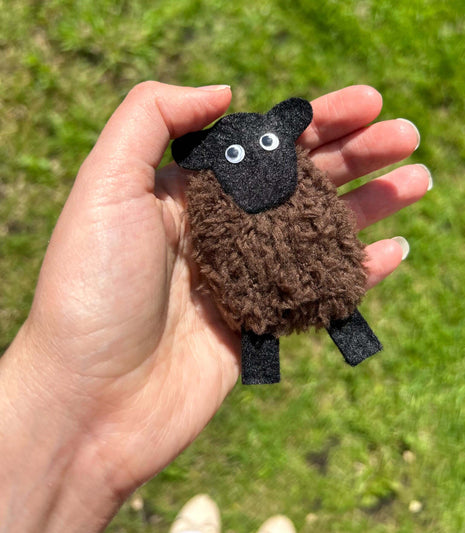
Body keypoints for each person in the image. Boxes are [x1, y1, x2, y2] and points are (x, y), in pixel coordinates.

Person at [0, 82, 430, 532]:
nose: (258, 160)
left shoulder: (292, 185)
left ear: (283, 132)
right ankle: (268, 352)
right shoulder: (215, 205)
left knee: (328, 274)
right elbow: (221, 254)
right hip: (247, 280)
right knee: (254, 295)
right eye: (237, 155)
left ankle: (343, 331)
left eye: (268, 143)